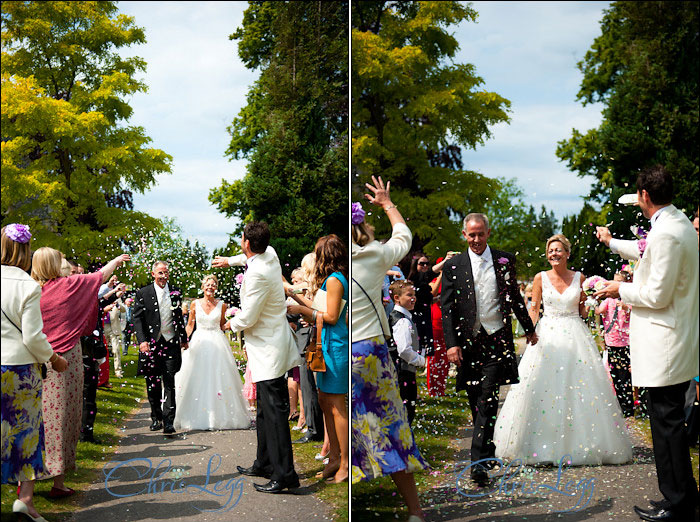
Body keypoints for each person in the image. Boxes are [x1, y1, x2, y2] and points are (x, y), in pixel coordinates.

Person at [594, 165, 699, 521]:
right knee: (665, 424)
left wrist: (617, 289)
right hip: (669, 342)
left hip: (665, 345)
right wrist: (609, 242)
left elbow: (656, 293)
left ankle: (679, 503)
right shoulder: (675, 223)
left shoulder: (668, 233)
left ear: (644, 196)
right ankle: (678, 496)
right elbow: (645, 252)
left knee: (667, 426)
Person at [493, 234, 633, 466]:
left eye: (558, 250)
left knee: (579, 388)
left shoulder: (580, 278)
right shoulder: (540, 278)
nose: (554, 254)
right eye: (550, 251)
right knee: (541, 386)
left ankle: (581, 443)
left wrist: (590, 302)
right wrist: (530, 332)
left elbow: (583, 313)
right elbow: (535, 309)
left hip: (575, 335)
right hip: (547, 335)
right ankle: (540, 444)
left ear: (567, 253)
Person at [440, 212, 537, 487]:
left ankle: (477, 464)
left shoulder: (504, 260)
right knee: (476, 398)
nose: (476, 239)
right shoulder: (453, 266)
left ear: (488, 233)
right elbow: (447, 309)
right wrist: (452, 345)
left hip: (496, 338)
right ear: (464, 235)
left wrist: (528, 328)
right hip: (468, 343)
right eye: (471, 234)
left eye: (481, 234)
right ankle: (487, 448)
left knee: (488, 396)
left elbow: (515, 296)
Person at [351, 176, 428, 522]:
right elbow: (404, 237)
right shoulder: (375, 256)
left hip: (341, 352)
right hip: (372, 352)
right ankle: (414, 511)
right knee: (392, 425)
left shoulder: (332, 262)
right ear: (364, 230)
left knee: (350, 426)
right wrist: (386, 203)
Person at [32, 247, 129, 498]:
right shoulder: (69, 286)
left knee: (37, 419)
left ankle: (29, 480)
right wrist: (117, 261)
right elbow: (100, 276)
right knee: (64, 417)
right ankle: (58, 480)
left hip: (34, 359)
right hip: (65, 359)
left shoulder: (30, 291)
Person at [212, 222, 301, 494]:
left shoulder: (257, 275)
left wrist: (229, 325)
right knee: (263, 410)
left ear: (247, 243)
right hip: (269, 344)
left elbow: (248, 316)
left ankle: (286, 475)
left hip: (269, 350)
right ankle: (264, 462)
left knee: (275, 414)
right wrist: (230, 261)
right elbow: (248, 258)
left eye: (242, 240)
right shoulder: (269, 253)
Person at [2, 225, 69, 522]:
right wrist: (53, 359)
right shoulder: (28, 286)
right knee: (26, 433)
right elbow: (32, 337)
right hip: (20, 371)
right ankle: (25, 502)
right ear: (27, 251)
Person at [287, 234, 349, 483]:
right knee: (324, 400)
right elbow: (319, 308)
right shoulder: (329, 280)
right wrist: (294, 295)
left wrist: (303, 310)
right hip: (326, 344)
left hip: (335, 346)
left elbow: (331, 316)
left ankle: (345, 461)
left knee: (336, 405)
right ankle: (333, 456)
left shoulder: (335, 280)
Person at [174, 274, 250, 431]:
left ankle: (220, 416)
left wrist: (235, 324)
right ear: (202, 287)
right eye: (207, 284)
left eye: (213, 284)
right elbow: (190, 325)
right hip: (199, 341)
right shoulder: (194, 304)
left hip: (217, 343)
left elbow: (222, 324)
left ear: (216, 287)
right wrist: (183, 340)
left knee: (219, 377)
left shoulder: (222, 305)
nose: (210, 287)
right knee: (196, 376)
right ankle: (195, 414)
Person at [132, 260, 188, 435]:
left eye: (166, 273)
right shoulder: (143, 293)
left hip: (171, 342)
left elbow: (179, 317)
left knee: (169, 381)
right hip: (151, 345)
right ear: (153, 274)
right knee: (153, 383)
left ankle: (169, 421)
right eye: (161, 273)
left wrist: (184, 338)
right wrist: (142, 340)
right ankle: (156, 417)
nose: (164, 276)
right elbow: (137, 319)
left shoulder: (175, 292)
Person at [596, 269, 634, 417]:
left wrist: (626, 307)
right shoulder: (609, 300)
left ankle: (628, 407)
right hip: (611, 341)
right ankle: (619, 404)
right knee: (615, 375)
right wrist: (592, 304)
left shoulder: (629, 300)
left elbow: (634, 313)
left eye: (619, 282)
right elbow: (599, 310)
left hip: (625, 342)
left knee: (625, 376)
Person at [388, 280, 425, 425]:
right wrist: (422, 361)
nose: (413, 298)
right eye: (409, 295)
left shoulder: (401, 317)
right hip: (403, 371)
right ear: (397, 298)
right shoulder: (402, 321)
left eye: (414, 295)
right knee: (406, 410)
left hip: (400, 370)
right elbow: (403, 350)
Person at [426, 254, 454, 397]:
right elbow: (433, 292)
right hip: (435, 320)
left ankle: (441, 388)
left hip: (448, 321)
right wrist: (441, 274)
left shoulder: (453, 280)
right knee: (434, 356)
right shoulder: (434, 280)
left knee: (445, 357)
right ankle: (433, 388)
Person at [407, 254, 433, 355]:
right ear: (415, 265)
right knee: (417, 342)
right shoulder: (412, 280)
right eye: (422, 264)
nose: (425, 266)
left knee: (426, 345)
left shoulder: (426, 280)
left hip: (426, 314)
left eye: (427, 263)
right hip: (415, 315)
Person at [103, 296, 126, 378]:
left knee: (116, 350)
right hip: (103, 326)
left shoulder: (117, 298)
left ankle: (118, 371)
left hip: (114, 327)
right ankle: (101, 372)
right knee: (102, 350)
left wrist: (117, 305)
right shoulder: (102, 296)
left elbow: (123, 309)